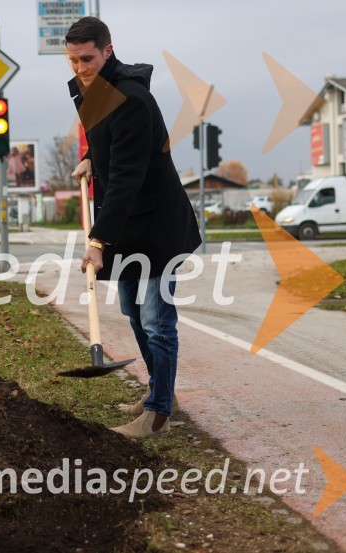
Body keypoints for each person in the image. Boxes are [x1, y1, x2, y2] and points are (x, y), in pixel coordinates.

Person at [66, 18, 201, 438]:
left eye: (87, 58)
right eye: (72, 60)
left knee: (156, 320)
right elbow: (106, 141)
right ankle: (160, 392)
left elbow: (128, 174)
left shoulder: (132, 98)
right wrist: (92, 158)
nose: (80, 67)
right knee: (133, 313)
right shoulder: (89, 89)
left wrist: (98, 240)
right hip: (128, 220)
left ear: (108, 50)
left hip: (157, 224)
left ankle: (158, 412)